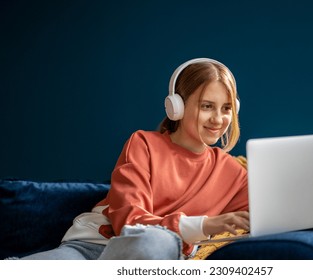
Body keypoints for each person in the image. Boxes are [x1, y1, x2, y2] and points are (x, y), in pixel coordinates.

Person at [20, 58, 249, 260]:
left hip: (157, 256)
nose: (218, 119)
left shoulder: (233, 173)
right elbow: (129, 223)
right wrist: (203, 225)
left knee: (160, 243)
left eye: (227, 108)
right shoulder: (144, 144)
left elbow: (270, 213)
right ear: (176, 107)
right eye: (207, 106)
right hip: (92, 248)